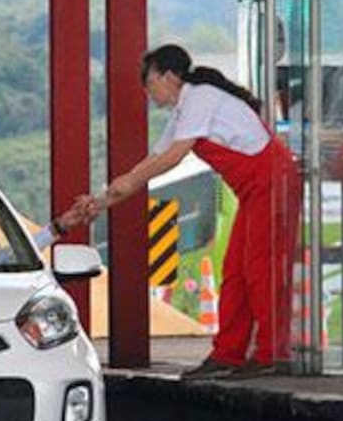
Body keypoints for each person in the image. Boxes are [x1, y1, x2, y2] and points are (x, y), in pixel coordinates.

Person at [81, 44, 301, 381]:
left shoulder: (199, 96)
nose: (147, 89)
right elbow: (151, 164)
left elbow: (171, 158)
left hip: (273, 183)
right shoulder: (182, 113)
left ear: (169, 76)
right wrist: (100, 201)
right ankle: (228, 353)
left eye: (149, 80)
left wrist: (122, 184)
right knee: (235, 272)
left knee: (260, 268)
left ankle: (273, 353)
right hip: (256, 190)